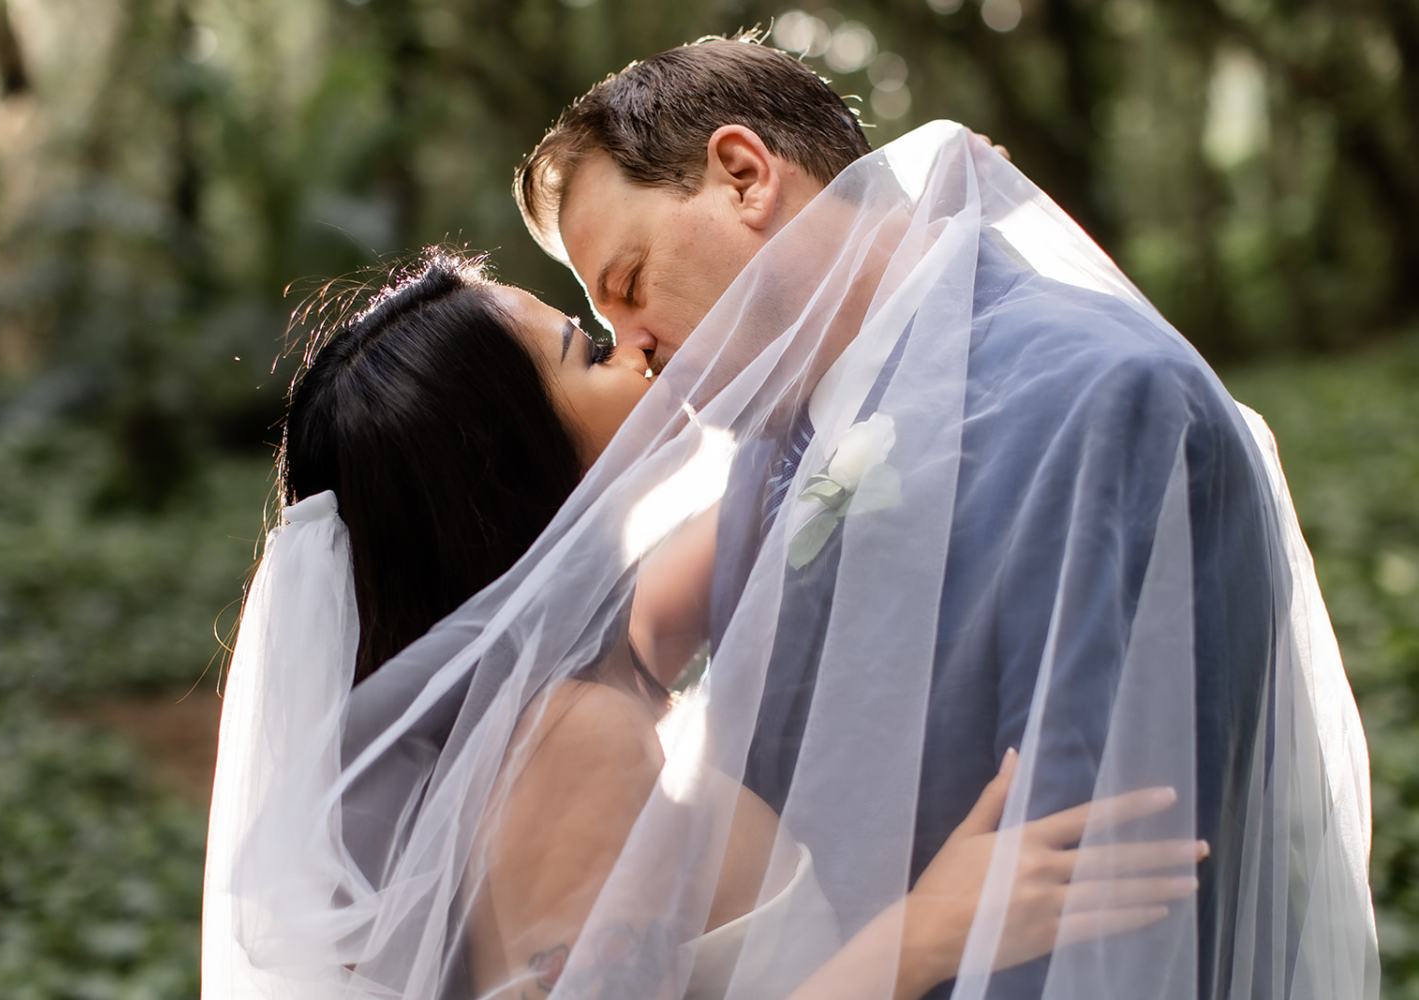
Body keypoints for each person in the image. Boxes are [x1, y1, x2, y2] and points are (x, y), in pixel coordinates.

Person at [509, 34, 1376, 1000]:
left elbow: (1091, 879)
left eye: (627, 286)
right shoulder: (769, 456)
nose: (634, 348)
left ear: (745, 176)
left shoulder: (1103, 398)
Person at [203, 250, 1202, 999]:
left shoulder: (576, 665)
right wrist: (931, 928)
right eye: (588, 350)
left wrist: (904, 244)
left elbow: (762, 511)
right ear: (511, 466)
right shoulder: (567, 739)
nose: (635, 343)